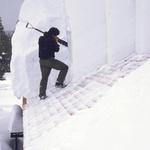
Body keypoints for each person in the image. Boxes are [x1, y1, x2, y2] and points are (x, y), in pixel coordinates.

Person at [39, 27, 68, 100]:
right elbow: (56, 49)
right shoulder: (51, 40)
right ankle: (59, 82)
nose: (56, 36)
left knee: (44, 78)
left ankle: (42, 95)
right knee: (64, 67)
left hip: (42, 61)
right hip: (49, 60)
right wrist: (55, 41)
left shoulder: (41, 38)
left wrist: (48, 36)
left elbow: (45, 43)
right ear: (53, 34)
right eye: (56, 35)